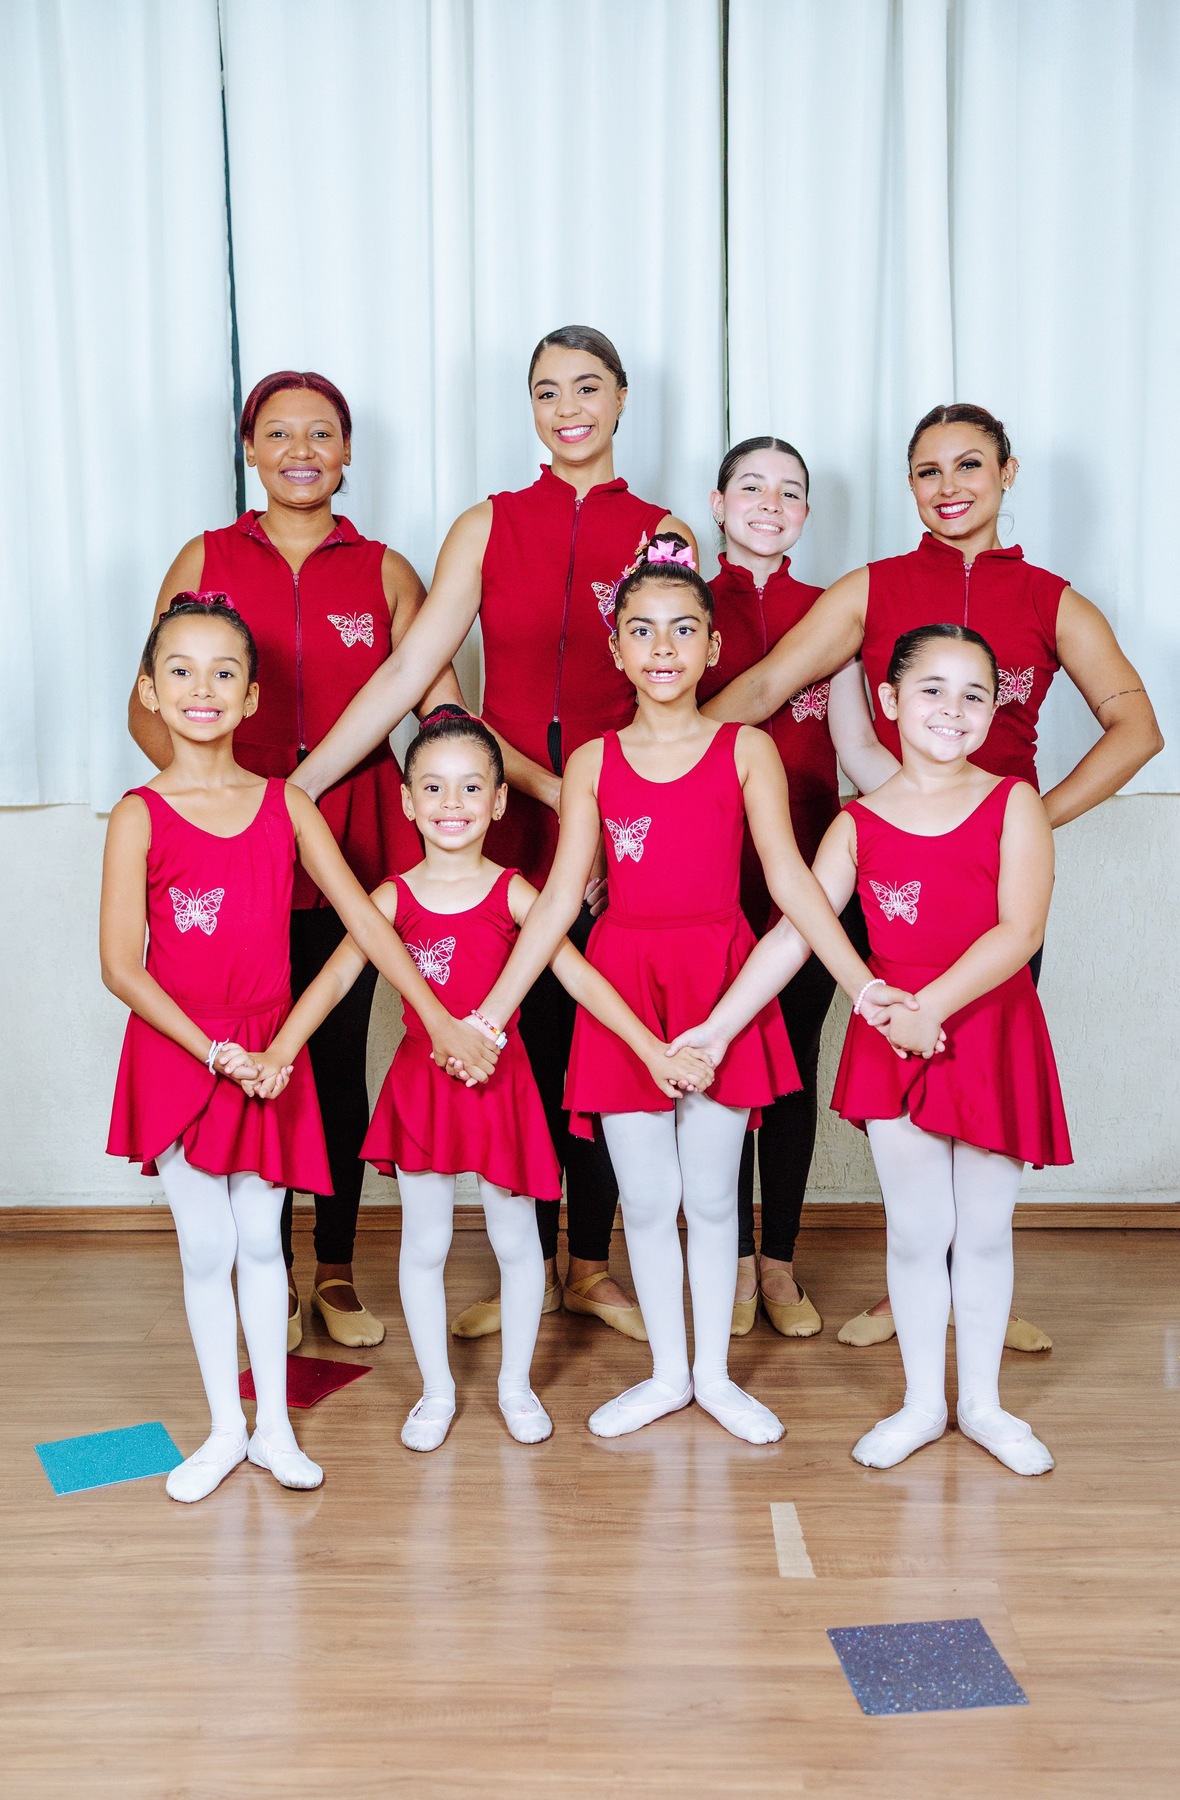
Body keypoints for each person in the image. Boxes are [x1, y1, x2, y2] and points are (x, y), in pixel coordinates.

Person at [702, 403, 1162, 1349]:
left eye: (969, 466)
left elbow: (1138, 729)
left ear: (1007, 471)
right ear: (909, 485)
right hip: (884, 875)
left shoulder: (1052, 599)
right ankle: (906, 1283)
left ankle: (979, 1283)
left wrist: (1028, 823)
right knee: (892, 1069)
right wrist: (656, 763)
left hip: (995, 891)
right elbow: (766, 687)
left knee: (979, 1075)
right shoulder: (871, 589)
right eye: (927, 471)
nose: (949, 487)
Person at [286, 328, 699, 1342]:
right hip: (506, 816)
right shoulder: (486, 525)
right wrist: (298, 788)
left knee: (601, 1047)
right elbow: (409, 678)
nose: (570, 408)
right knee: (523, 1043)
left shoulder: (662, 531)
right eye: (548, 391)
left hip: (624, 825)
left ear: (622, 398)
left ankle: (590, 1267)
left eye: (588, 387)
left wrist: (606, 818)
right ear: (530, 408)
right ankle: (532, 1263)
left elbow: (678, 683)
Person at [465, 537, 918, 1445]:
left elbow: (792, 884)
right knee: (646, 1199)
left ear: (713, 647)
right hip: (624, 988)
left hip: (722, 982)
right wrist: (489, 1012)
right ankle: (668, 1374)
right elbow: (558, 901)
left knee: (713, 1199)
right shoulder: (593, 762)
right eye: (641, 630)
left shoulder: (746, 749)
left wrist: (863, 982)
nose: (662, 647)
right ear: (616, 648)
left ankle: (712, 1375)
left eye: (682, 629)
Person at [103, 599, 496, 1502]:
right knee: (207, 1245)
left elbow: (367, 924)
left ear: (251, 698)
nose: (202, 688)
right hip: (181, 1054)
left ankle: (273, 1429)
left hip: (269, 1054)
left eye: (224, 672)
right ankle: (223, 1430)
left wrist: (436, 1019)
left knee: (260, 1244)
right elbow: (122, 966)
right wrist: (213, 1053)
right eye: (180, 671)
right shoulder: (138, 815)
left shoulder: (286, 804)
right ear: (149, 692)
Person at [252, 709, 712, 1450]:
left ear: (499, 802)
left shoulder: (515, 894)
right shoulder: (391, 898)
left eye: (471, 787)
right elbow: (333, 981)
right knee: (424, 1243)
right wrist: (280, 1051)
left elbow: (582, 979)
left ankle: (515, 1385)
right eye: (433, 787)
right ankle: (436, 1390)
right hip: (423, 1085)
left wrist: (651, 1050)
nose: (452, 803)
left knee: (517, 1243)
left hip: (503, 1085)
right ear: (407, 802)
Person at [672, 624, 1071, 1474]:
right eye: (932, 690)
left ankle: (984, 1405)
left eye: (973, 694)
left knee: (984, 1231)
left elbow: (1020, 930)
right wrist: (718, 1024)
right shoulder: (856, 824)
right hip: (894, 1038)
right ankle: (923, 1403)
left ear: (993, 710)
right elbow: (796, 932)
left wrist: (932, 1008)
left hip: (986, 1031)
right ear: (888, 701)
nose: (952, 709)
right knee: (919, 1230)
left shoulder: (1014, 803)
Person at [128, 370, 459, 1352]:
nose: (301, 450)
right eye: (278, 433)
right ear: (250, 451)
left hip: (353, 844)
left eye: (322, 433)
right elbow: (148, 706)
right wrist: (217, 815)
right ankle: (260, 1265)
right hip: (241, 858)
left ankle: (336, 1270)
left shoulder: (388, 572)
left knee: (336, 1063)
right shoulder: (206, 557)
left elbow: (438, 709)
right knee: (252, 1057)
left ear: (348, 453)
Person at [700, 437, 879, 1338]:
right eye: (751, 487)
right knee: (724, 1058)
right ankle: (731, 1261)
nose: (770, 504)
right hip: (711, 862)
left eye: (790, 492)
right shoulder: (687, 605)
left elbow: (855, 748)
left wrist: (943, 818)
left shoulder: (832, 613)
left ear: (806, 513)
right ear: (718, 504)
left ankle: (779, 1261)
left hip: (815, 866)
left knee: (794, 1063)